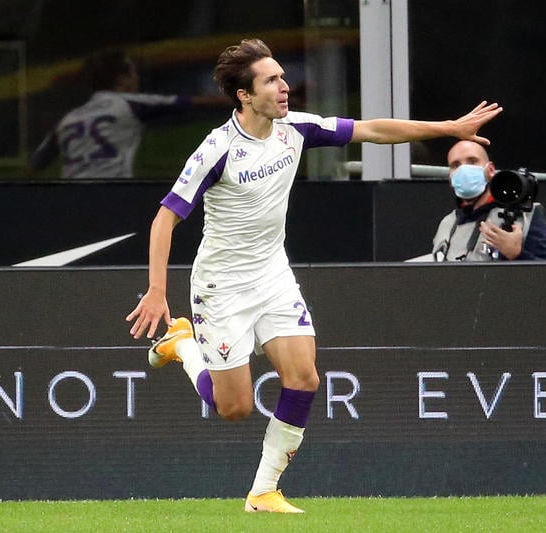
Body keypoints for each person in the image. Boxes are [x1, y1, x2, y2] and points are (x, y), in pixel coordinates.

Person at [125, 38, 501, 513]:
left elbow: (373, 130)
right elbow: (165, 218)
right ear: (244, 95)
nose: (285, 87)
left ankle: (263, 491)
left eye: (283, 77)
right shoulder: (217, 149)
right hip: (221, 286)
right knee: (233, 407)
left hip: (273, 274)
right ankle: (183, 345)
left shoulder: (296, 128)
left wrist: (447, 127)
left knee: (304, 378)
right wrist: (158, 290)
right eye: (272, 81)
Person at [30, 48, 224, 179]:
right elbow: (193, 103)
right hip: (112, 193)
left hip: (68, 197)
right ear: (122, 79)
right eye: (133, 73)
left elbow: (35, 166)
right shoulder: (128, 104)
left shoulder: (68, 120)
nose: (136, 78)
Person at [432, 140, 546, 261]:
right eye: (456, 165)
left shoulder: (524, 216)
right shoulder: (447, 224)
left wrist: (517, 254)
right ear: (450, 177)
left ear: (491, 170)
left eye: (472, 161)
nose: (464, 170)